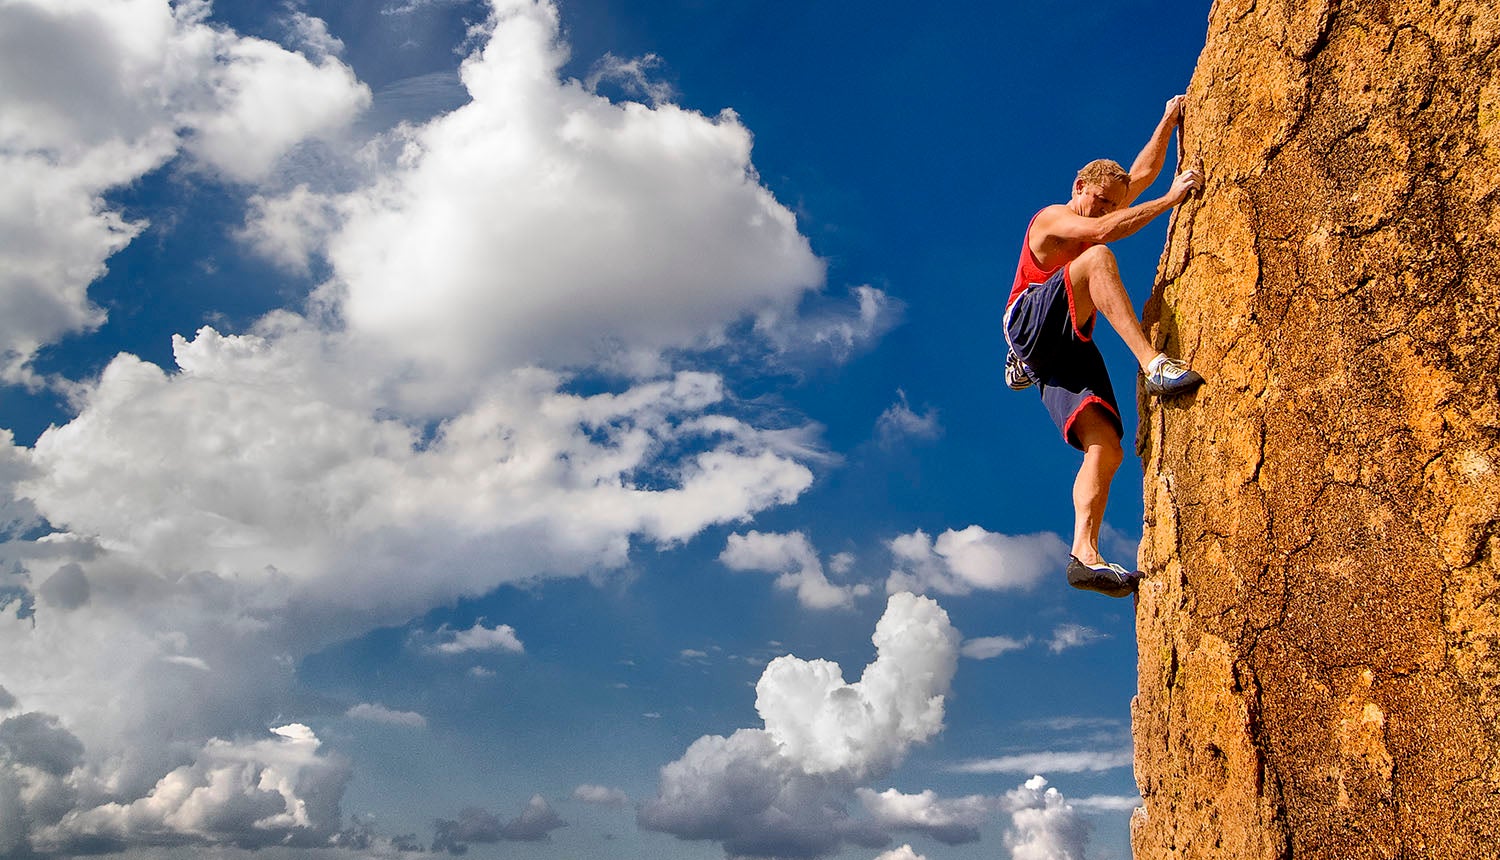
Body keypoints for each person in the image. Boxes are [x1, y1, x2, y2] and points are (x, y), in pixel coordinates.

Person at [1003, 94, 1204, 598]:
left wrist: (1167, 120)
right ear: (1079, 187)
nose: (1110, 208)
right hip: (1029, 319)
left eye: (1116, 202)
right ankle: (1153, 365)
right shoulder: (1053, 217)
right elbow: (1096, 231)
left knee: (1107, 448)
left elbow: (1143, 172)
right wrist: (1170, 201)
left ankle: (1083, 556)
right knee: (1097, 257)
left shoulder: (1111, 195)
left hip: (1066, 345)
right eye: (1102, 199)